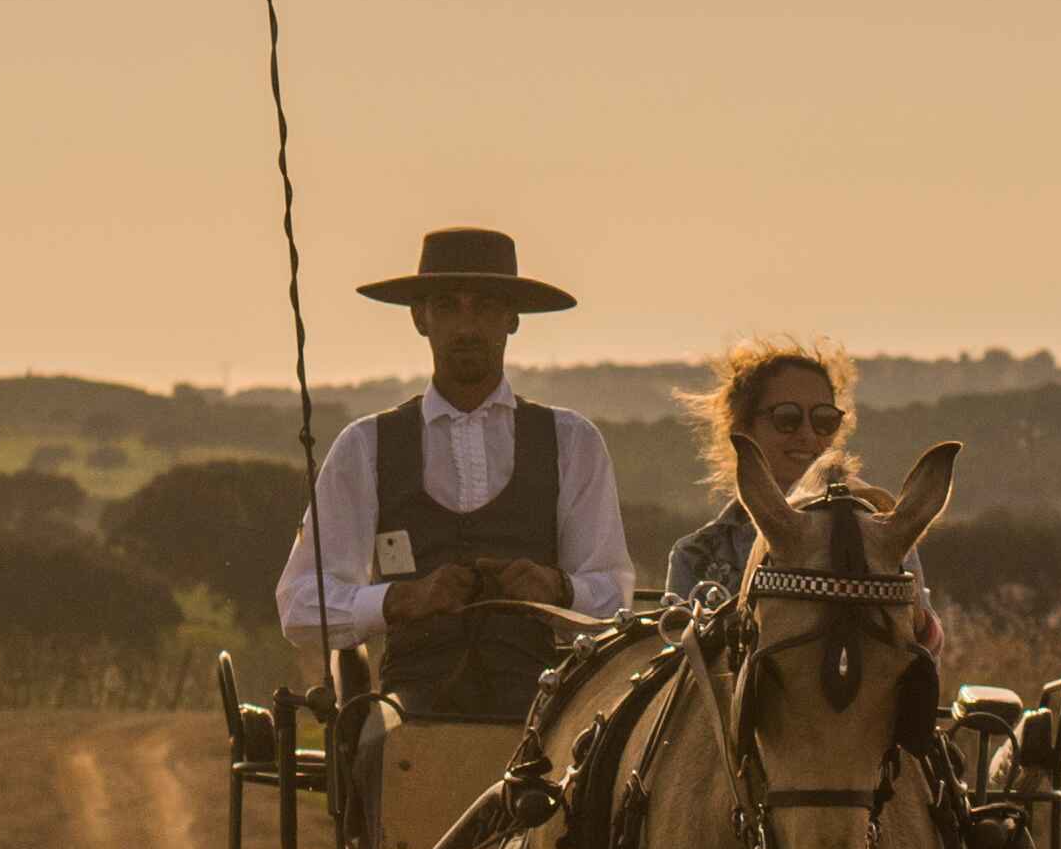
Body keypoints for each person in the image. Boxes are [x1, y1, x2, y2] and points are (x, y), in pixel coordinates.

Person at [276, 222, 635, 724]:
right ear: (420, 319)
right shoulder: (365, 447)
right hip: (410, 707)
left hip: (543, 705)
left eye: (485, 306)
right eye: (448, 306)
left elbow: (612, 594)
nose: (467, 327)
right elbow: (299, 604)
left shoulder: (573, 442)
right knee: (391, 754)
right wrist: (402, 599)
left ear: (511, 319)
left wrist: (556, 589)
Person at [664, 332, 939, 641]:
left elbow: (922, 654)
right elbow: (685, 675)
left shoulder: (881, 532)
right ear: (742, 427)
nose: (807, 434)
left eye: (823, 419)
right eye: (787, 418)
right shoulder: (699, 555)